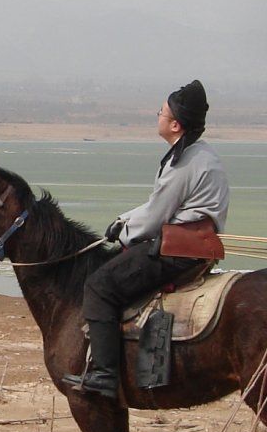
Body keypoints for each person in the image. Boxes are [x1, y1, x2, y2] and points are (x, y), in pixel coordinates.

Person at [63, 79, 229, 398]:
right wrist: (124, 219)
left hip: (178, 249)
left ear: (175, 124)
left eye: (161, 113)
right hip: (195, 242)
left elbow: (155, 218)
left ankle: (104, 374)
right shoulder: (200, 154)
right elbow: (158, 205)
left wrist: (125, 233)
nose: (158, 116)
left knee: (99, 286)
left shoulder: (183, 164)